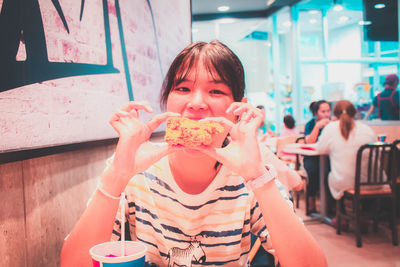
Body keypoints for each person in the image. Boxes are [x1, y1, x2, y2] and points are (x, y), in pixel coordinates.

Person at [60, 41, 326, 267]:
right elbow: (74, 263)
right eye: (183, 88)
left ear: (239, 109)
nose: (196, 103)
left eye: (216, 91)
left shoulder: (252, 176)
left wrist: (258, 178)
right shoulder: (134, 171)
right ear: (166, 101)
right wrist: (117, 176)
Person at [316, 100, 377, 200]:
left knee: (330, 174)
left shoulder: (331, 128)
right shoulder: (366, 128)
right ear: (354, 112)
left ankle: (336, 212)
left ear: (334, 114)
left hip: (345, 183)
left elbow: (320, 149)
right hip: (374, 182)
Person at [303, 100, 331, 214]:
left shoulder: (333, 125)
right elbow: (309, 142)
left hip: (328, 156)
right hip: (312, 157)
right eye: (323, 111)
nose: (326, 114)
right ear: (316, 113)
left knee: (333, 170)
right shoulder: (310, 124)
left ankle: (332, 207)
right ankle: (311, 202)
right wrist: (318, 126)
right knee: (313, 171)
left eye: (328, 111)